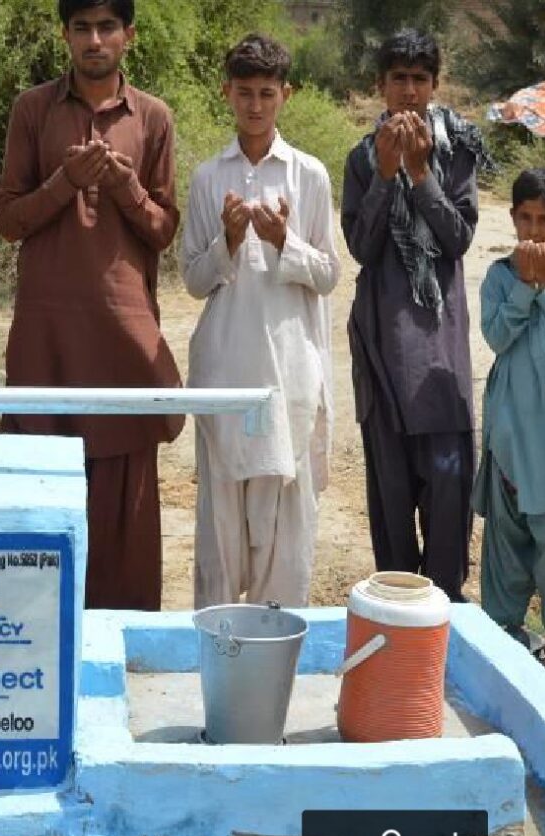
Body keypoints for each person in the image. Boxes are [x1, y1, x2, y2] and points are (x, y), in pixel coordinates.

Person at [0, 0, 183, 611]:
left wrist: (126, 188)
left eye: (107, 28)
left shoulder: (152, 116)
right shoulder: (33, 109)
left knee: (123, 492)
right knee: (36, 481)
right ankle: (32, 634)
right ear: (66, 35)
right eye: (82, 28)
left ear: (129, 35)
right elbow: (8, 221)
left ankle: (122, 638)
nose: (95, 40)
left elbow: (161, 229)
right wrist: (66, 183)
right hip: (46, 333)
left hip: (122, 333)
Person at [180, 35, 340, 608]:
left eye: (266, 93)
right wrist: (228, 239)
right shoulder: (208, 177)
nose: (254, 105)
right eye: (244, 92)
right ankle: (219, 656)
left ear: (285, 96)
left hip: (289, 373)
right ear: (226, 93)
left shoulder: (310, 175)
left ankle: (274, 659)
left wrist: (281, 241)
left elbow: (327, 274)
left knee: (284, 529)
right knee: (221, 530)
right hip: (225, 369)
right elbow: (194, 280)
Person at [342, 29, 494, 601]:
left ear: (435, 86)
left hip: (437, 346)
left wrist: (422, 172)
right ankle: (400, 605)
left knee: (450, 481)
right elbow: (361, 245)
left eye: (419, 80)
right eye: (398, 79)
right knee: (391, 488)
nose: (409, 91)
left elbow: (457, 239)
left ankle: (447, 603)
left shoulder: (457, 152)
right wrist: (386, 173)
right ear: (380, 87)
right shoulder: (362, 158)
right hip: (383, 342)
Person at [472, 168, 545, 671]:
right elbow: (497, 337)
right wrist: (523, 285)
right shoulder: (499, 275)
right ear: (513, 217)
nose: (535, 230)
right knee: (505, 534)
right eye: (526, 218)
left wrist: (544, 287)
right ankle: (503, 624)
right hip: (508, 428)